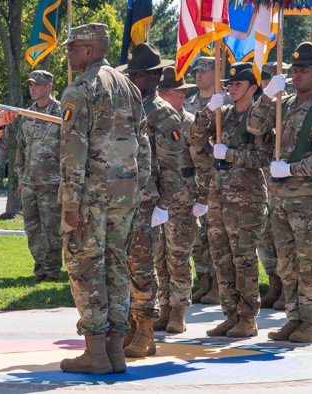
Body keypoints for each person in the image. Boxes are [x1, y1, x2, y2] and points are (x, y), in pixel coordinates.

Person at [57, 23, 150, 375]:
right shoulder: (129, 87)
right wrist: (139, 191)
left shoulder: (79, 91)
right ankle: (115, 351)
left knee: (86, 268)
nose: (68, 54)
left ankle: (95, 351)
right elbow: (144, 146)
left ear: (89, 51)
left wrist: (69, 204)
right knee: (116, 267)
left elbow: (73, 152)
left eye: (72, 48)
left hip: (90, 198)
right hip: (125, 196)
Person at [248, 42, 312, 343]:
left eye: (303, 70)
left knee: (309, 263)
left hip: (308, 200)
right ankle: (293, 317)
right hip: (280, 199)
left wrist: (291, 169)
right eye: (294, 70)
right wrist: (266, 96)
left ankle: (310, 323)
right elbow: (253, 126)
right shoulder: (283, 105)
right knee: (286, 262)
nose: (296, 75)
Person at [194, 62, 272, 339]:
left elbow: (264, 158)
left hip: (246, 199)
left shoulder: (259, 119)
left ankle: (248, 317)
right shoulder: (222, 115)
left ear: (252, 88)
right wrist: (207, 111)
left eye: (237, 84)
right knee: (221, 258)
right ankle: (230, 314)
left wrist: (230, 155)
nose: (231, 88)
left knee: (244, 259)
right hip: (218, 196)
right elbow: (194, 137)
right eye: (229, 84)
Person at [117, 42, 184, 356]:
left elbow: (172, 167)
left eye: (138, 75)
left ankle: (146, 331)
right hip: (122, 199)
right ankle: (131, 325)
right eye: (131, 74)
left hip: (147, 202)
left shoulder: (163, 113)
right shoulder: (126, 106)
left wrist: (163, 206)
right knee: (125, 265)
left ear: (154, 77)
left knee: (143, 267)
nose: (132, 79)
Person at [154, 65, 199, 333]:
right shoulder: (156, 119)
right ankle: (165, 308)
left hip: (183, 196)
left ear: (180, 96)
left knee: (178, 256)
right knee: (158, 256)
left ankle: (179, 310)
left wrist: (202, 197)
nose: (160, 97)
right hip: (159, 196)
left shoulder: (190, 124)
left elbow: (203, 164)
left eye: (166, 93)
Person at [14, 70, 63, 282]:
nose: (33, 88)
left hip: (52, 184)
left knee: (51, 230)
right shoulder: (28, 114)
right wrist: (20, 178)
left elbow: (70, 150)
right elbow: (21, 148)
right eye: (31, 85)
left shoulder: (62, 113)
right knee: (32, 228)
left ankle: (52, 271)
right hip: (30, 183)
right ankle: (40, 267)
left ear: (49, 87)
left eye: (38, 85)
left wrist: (66, 181)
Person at [183, 57, 219, 306]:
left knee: (216, 233)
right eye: (197, 71)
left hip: (216, 175)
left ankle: (218, 283)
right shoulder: (190, 103)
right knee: (198, 236)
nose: (199, 75)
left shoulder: (224, 103)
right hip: (195, 176)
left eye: (205, 71)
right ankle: (204, 280)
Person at [257, 61, 291, 310]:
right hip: (265, 180)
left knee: (285, 240)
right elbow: (254, 125)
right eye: (264, 79)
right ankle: (275, 282)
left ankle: (289, 289)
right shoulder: (264, 104)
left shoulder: (290, 106)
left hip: (288, 181)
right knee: (266, 238)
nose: (267, 83)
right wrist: (267, 98)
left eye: (272, 79)